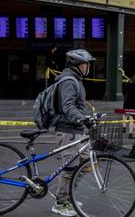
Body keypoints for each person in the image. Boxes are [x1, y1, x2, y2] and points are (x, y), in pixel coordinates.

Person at [51, 49, 95, 217]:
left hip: (76, 129)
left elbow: (76, 106)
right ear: (78, 65)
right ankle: (60, 203)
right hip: (68, 130)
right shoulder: (69, 81)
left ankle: (68, 196)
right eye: (86, 64)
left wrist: (87, 117)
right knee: (70, 168)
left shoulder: (75, 79)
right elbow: (68, 106)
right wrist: (81, 118)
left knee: (85, 163)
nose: (88, 67)